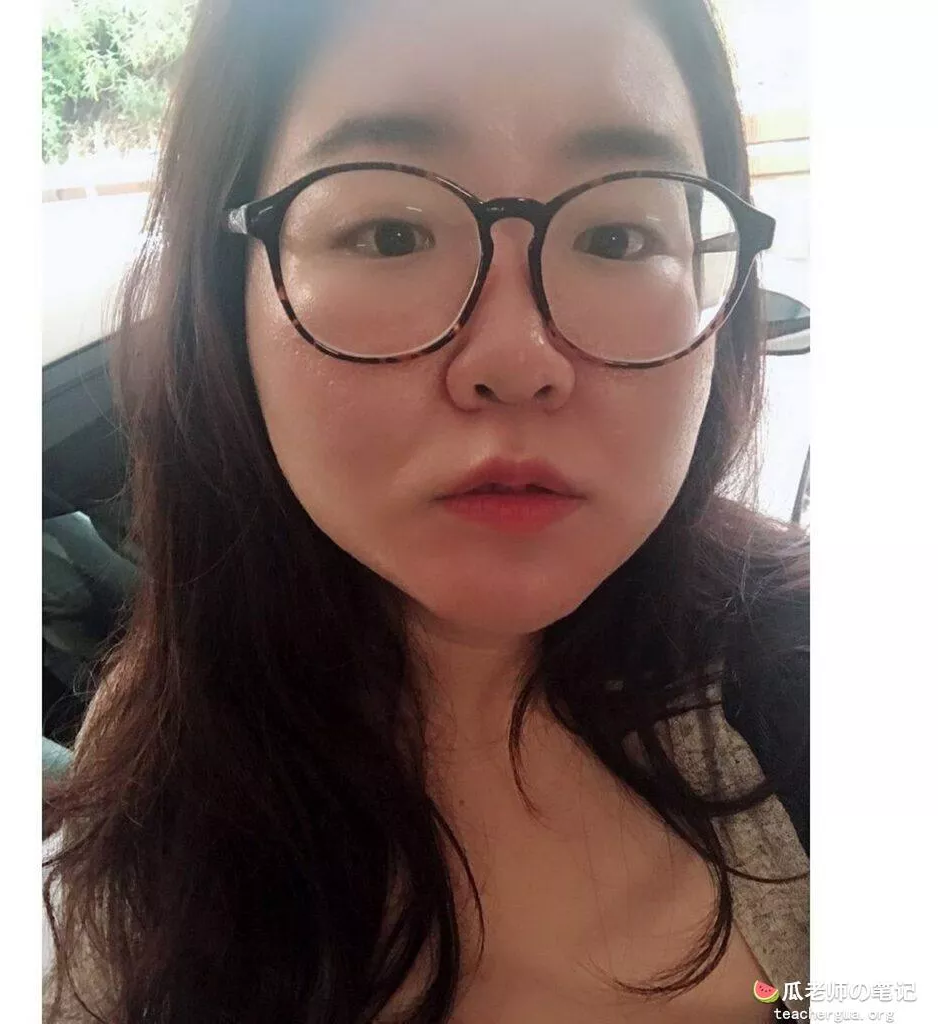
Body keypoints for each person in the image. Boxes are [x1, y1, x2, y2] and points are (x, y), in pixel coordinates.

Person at [43, 0, 810, 1021]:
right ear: (228, 303)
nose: (517, 360)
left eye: (618, 234)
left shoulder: (821, 682)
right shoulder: (165, 742)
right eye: (391, 232)